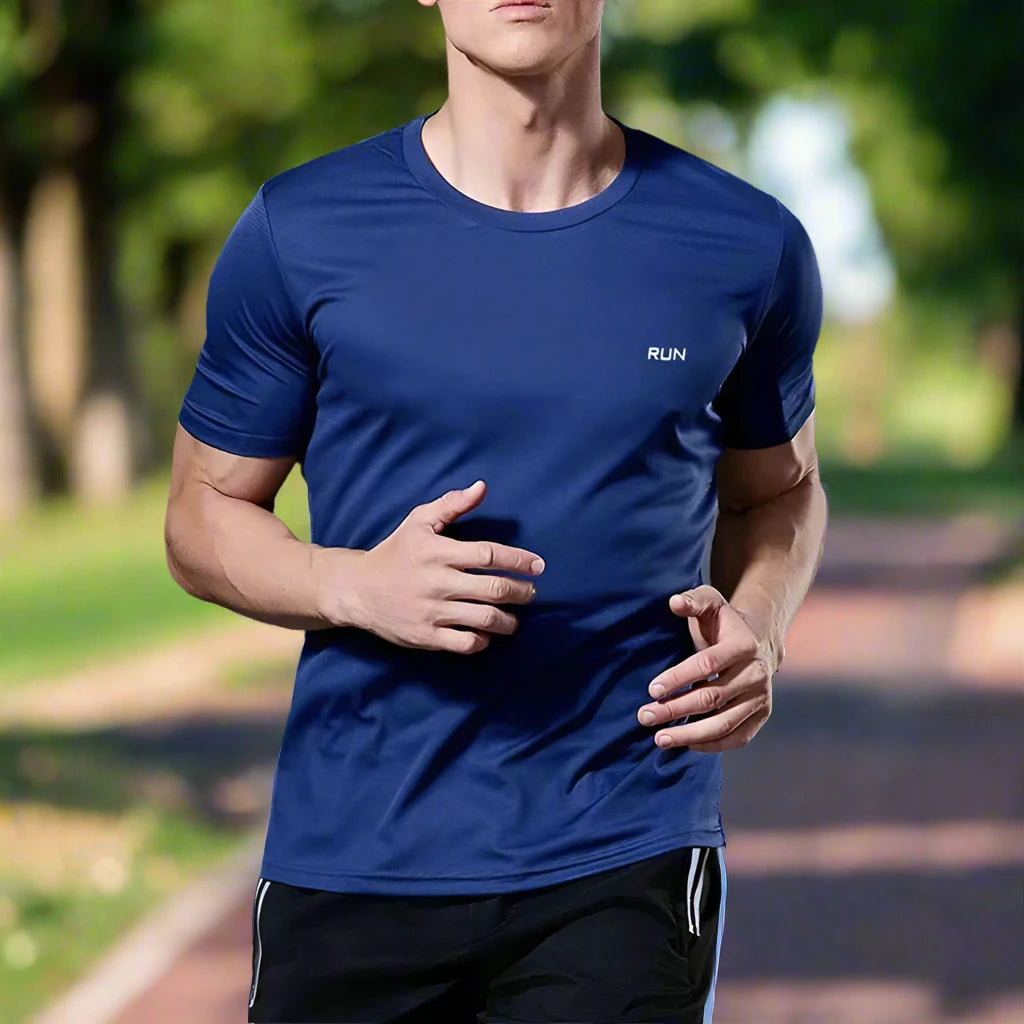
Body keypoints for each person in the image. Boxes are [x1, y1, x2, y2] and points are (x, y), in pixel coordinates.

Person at [164, 1, 827, 1021]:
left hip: (622, 846)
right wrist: (350, 583)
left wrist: (764, 624)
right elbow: (201, 515)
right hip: (355, 853)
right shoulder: (300, 229)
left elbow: (779, 489)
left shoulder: (742, 243)